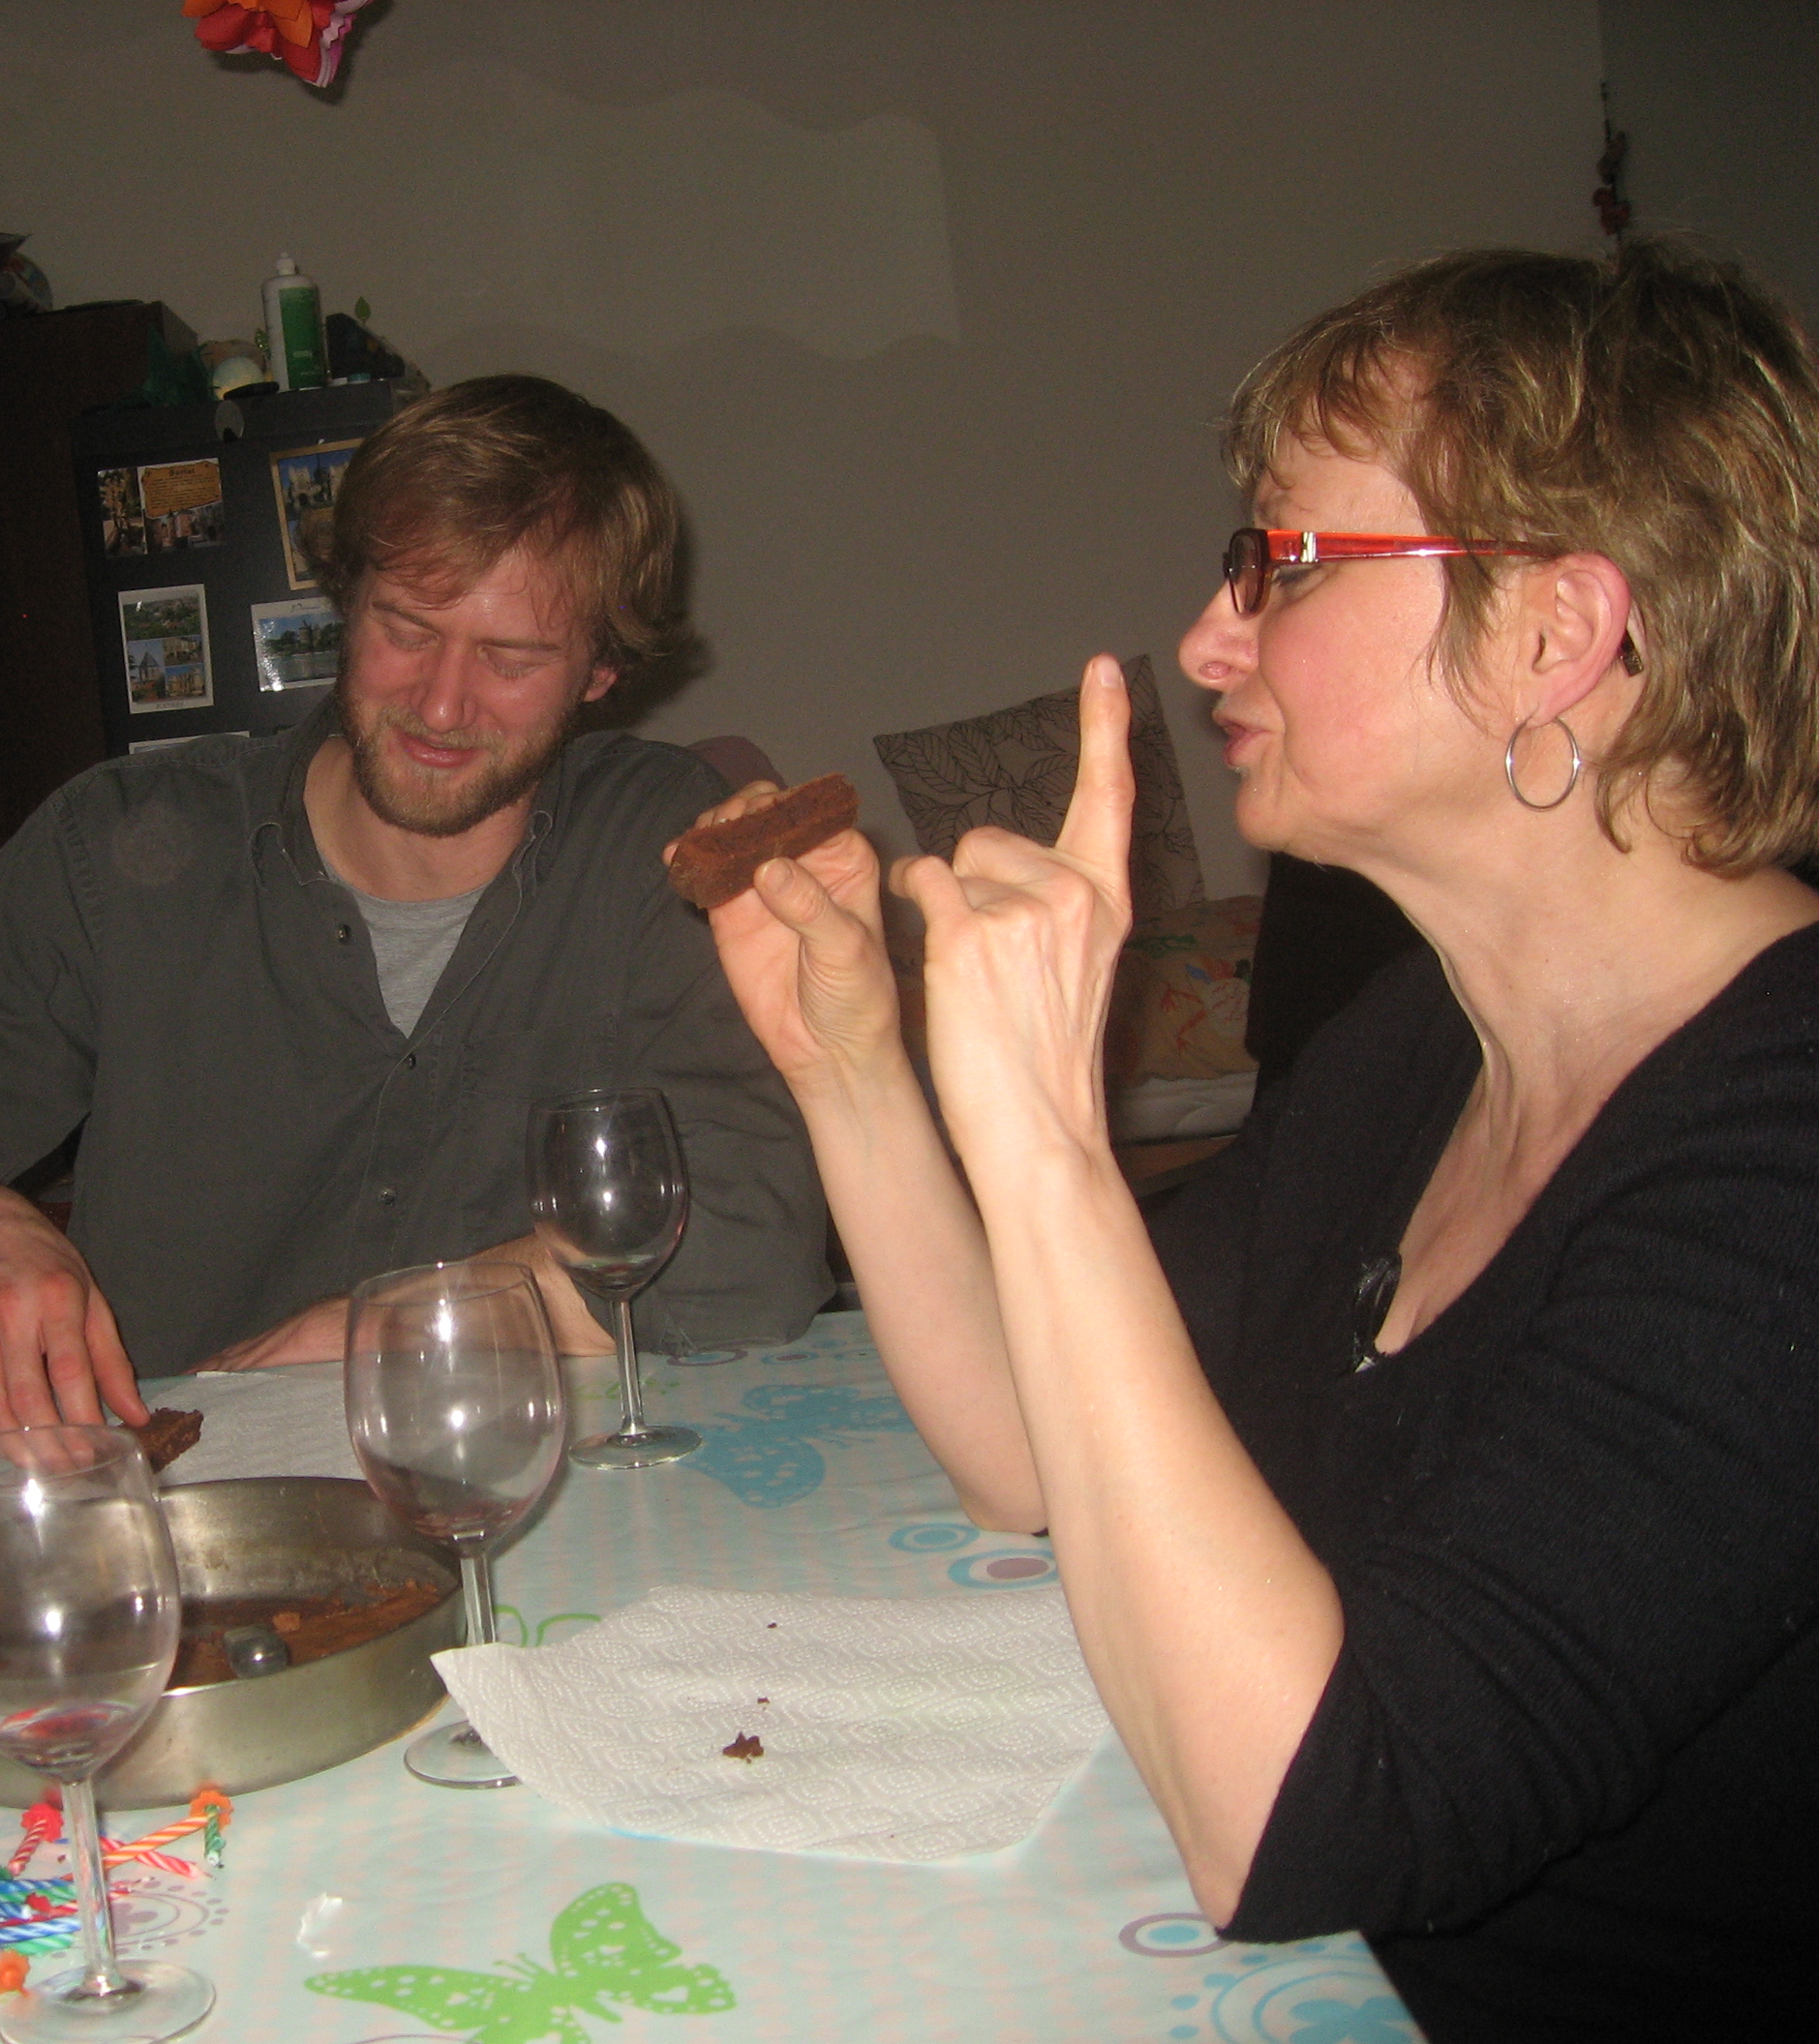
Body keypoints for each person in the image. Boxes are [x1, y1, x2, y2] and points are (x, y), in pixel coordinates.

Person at [699, 243, 1819, 2041]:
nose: (1215, 635)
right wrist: (851, 1069)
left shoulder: (1783, 1151)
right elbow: (1035, 1447)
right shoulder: (1419, 1047)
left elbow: (1317, 1822)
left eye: (1284, 561)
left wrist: (1051, 1141)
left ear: (1556, 634)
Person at [0, 375, 829, 1432]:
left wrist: (394, 1326)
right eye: (405, 629)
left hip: (542, 1493)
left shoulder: (658, 848)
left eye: (511, 659)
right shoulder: (116, 848)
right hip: (189, 1510)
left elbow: (755, 1249)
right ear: (344, 602)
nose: (443, 704)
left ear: (599, 672)